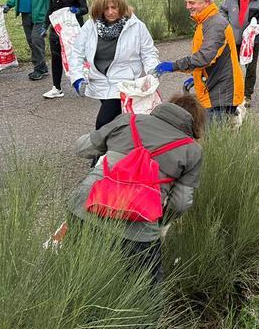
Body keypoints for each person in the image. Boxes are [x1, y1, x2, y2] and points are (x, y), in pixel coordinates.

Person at [68, 93, 204, 285]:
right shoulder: (192, 150)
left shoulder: (127, 120)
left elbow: (81, 148)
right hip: (139, 225)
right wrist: (161, 222)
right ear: (195, 124)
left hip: (86, 205)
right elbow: (180, 203)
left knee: (76, 275)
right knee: (145, 287)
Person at [68, 0, 160, 131]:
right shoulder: (90, 26)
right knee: (116, 123)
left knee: (103, 124)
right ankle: (122, 149)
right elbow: (76, 52)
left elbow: (148, 53)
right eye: (106, 8)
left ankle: (100, 152)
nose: (110, 12)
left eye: (114, 7)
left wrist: (153, 72)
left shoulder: (136, 27)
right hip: (99, 83)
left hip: (123, 83)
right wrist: (76, 76)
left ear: (121, 6)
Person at [153, 0, 244, 122]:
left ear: (206, 2)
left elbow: (205, 58)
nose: (188, 6)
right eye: (187, 2)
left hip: (220, 95)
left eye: (192, 2)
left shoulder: (215, 24)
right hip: (214, 88)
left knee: (212, 139)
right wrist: (197, 78)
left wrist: (173, 66)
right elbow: (214, 59)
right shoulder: (205, 21)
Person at [3, 0, 52, 80]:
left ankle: (39, 69)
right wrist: (9, 4)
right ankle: (42, 67)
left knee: (36, 40)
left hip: (41, 14)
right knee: (31, 41)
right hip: (25, 13)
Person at [43, 0, 88, 99]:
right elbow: (51, 9)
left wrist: (76, 10)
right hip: (56, 30)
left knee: (77, 57)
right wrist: (45, 25)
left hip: (72, 30)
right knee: (56, 58)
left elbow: (84, 8)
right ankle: (56, 88)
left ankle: (86, 81)